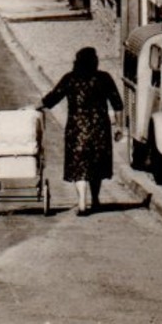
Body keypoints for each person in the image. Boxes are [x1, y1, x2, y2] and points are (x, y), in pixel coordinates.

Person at [40, 46, 124, 215]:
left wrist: (36, 106)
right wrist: (119, 127)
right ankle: (95, 199)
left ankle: (81, 202)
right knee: (96, 165)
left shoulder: (70, 79)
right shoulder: (104, 78)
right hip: (100, 129)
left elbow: (53, 98)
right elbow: (117, 104)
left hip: (77, 129)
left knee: (80, 166)